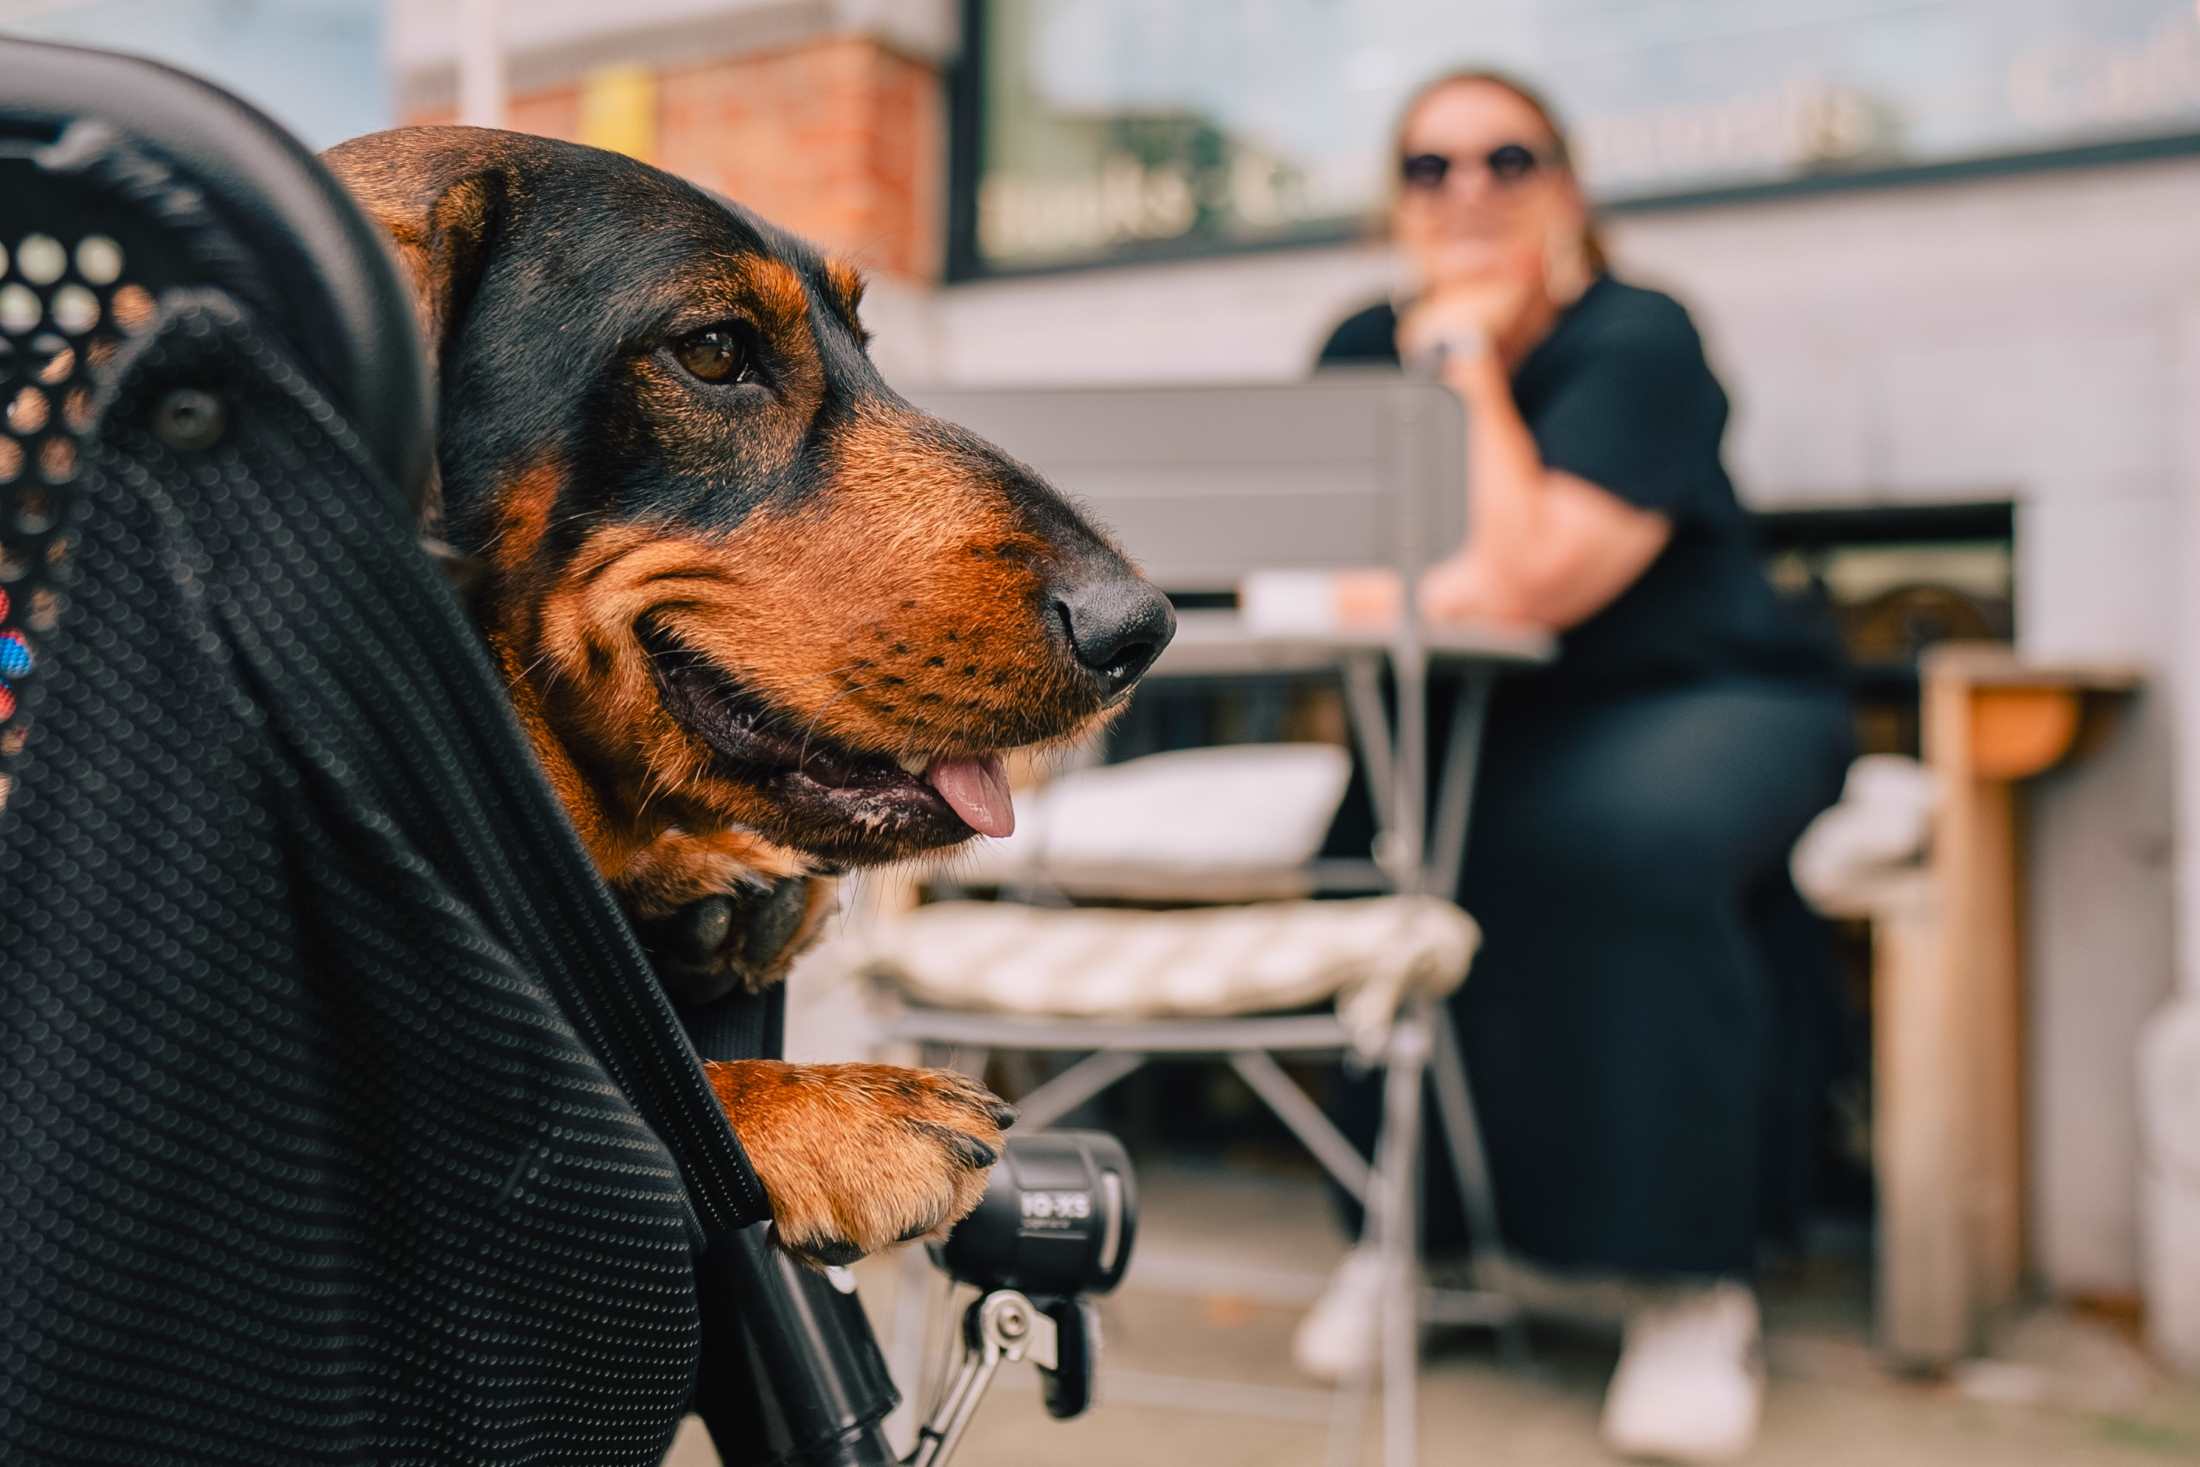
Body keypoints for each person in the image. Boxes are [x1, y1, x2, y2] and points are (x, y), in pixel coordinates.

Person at [1298, 69, 1853, 1463]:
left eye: (1507, 158)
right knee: (1373, 852)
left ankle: (1686, 1287)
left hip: (1709, 689)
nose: (1468, 192)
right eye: (1432, 170)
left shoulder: (1639, 336)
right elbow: (1328, 575)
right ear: (1395, 199)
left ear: (1567, 183)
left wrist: (1470, 363)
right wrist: (1445, 580)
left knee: (1628, 843)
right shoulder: (1359, 338)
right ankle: (1407, 1238)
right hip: (1491, 709)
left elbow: (1535, 578)